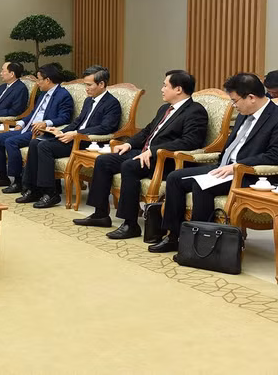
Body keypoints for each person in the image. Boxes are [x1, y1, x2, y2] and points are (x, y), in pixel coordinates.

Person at [73, 70, 208, 240]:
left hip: (165, 161)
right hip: (145, 154)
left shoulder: (195, 111)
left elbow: (189, 142)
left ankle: (130, 224)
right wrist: (128, 144)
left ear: (178, 89)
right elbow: (146, 132)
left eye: (165, 85)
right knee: (104, 160)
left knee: (129, 166)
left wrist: (152, 151)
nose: (162, 89)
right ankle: (100, 214)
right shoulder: (165, 108)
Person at [152, 73, 278, 252]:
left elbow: (273, 156)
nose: (233, 107)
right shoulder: (245, 112)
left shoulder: (275, 117)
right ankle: (174, 236)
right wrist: (225, 165)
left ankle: (200, 246)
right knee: (174, 178)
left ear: (251, 98)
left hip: (250, 175)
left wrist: (235, 167)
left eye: (235, 101)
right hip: (223, 168)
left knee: (201, 185)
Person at [18, 65, 122, 209]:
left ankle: (50, 193)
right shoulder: (89, 100)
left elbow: (105, 128)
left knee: (44, 146)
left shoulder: (112, 103)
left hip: (89, 142)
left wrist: (76, 134)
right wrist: (62, 131)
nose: (86, 88)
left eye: (89, 85)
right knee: (36, 143)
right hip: (74, 138)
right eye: (85, 84)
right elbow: (78, 122)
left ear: (102, 84)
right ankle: (33, 189)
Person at [0, 63, 73, 193]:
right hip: (28, 128)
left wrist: (46, 123)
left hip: (39, 131)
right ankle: (2, 177)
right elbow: (33, 114)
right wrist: (21, 122)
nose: (37, 83)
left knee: (11, 141)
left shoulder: (63, 95)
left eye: (39, 79)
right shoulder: (43, 93)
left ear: (48, 80)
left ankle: (18, 181)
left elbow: (65, 118)